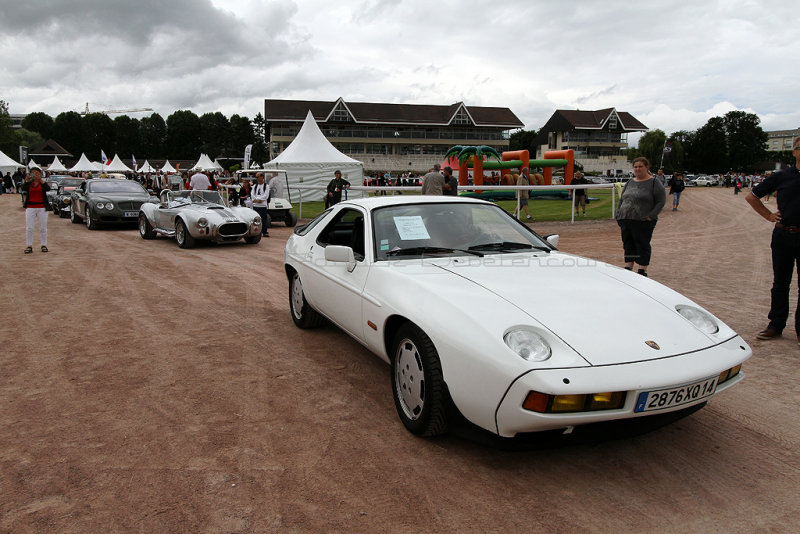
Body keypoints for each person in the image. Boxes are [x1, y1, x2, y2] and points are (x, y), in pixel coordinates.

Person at [745, 137, 800, 342]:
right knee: (780, 283)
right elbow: (752, 196)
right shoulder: (783, 176)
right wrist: (768, 215)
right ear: (794, 152)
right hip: (784, 234)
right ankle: (776, 324)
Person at [615, 157, 666, 276]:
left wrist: (651, 216)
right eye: (636, 167)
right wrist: (618, 215)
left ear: (646, 167)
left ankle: (642, 268)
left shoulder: (654, 182)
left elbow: (660, 201)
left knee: (642, 243)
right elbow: (622, 199)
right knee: (628, 243)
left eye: (640, 166)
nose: (637, 169)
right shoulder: (630, 182)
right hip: (626, 218)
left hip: (643, 220)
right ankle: (629, 265)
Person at [21, 167, 50, 253]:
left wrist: (40, 180)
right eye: (33, 173)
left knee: (43, 228)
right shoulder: (29, 183)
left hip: (42, 207)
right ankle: (29, 245)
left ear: (40, 174)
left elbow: (48, 188)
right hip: (30, 207)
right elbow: (23, 188)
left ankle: (43, 245)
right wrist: (26, 180)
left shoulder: (43, 183)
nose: (35, 175)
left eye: (36, 173)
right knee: (29, 227)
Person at [251, 172, 270, 237]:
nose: (257, 179)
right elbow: (252, 194)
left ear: (262, 177)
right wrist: (256, 200)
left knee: (264, 219)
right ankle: (256, 231)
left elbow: (266, 195)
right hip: (256, 205)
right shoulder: (255, 186)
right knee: (255, 219)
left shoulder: (266, 186)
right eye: (256, 177)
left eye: (258, 177)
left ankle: (264, 231)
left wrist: (260, 200)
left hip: (263, 206)